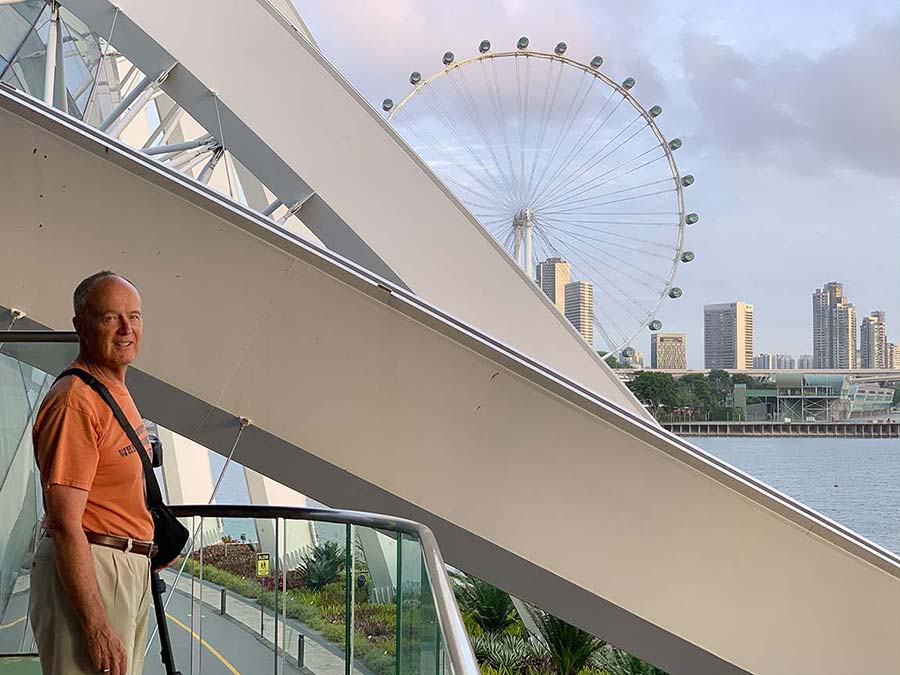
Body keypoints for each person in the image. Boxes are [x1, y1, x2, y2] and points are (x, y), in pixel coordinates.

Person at [30, 271, 152, 675]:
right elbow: (64, 522)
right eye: (109, 318)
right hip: (96, 569)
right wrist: (96, 625)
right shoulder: (75, 402)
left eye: (133, 317)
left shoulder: (114, 389)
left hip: (123, 565)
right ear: (80, 325)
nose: (125, 329)